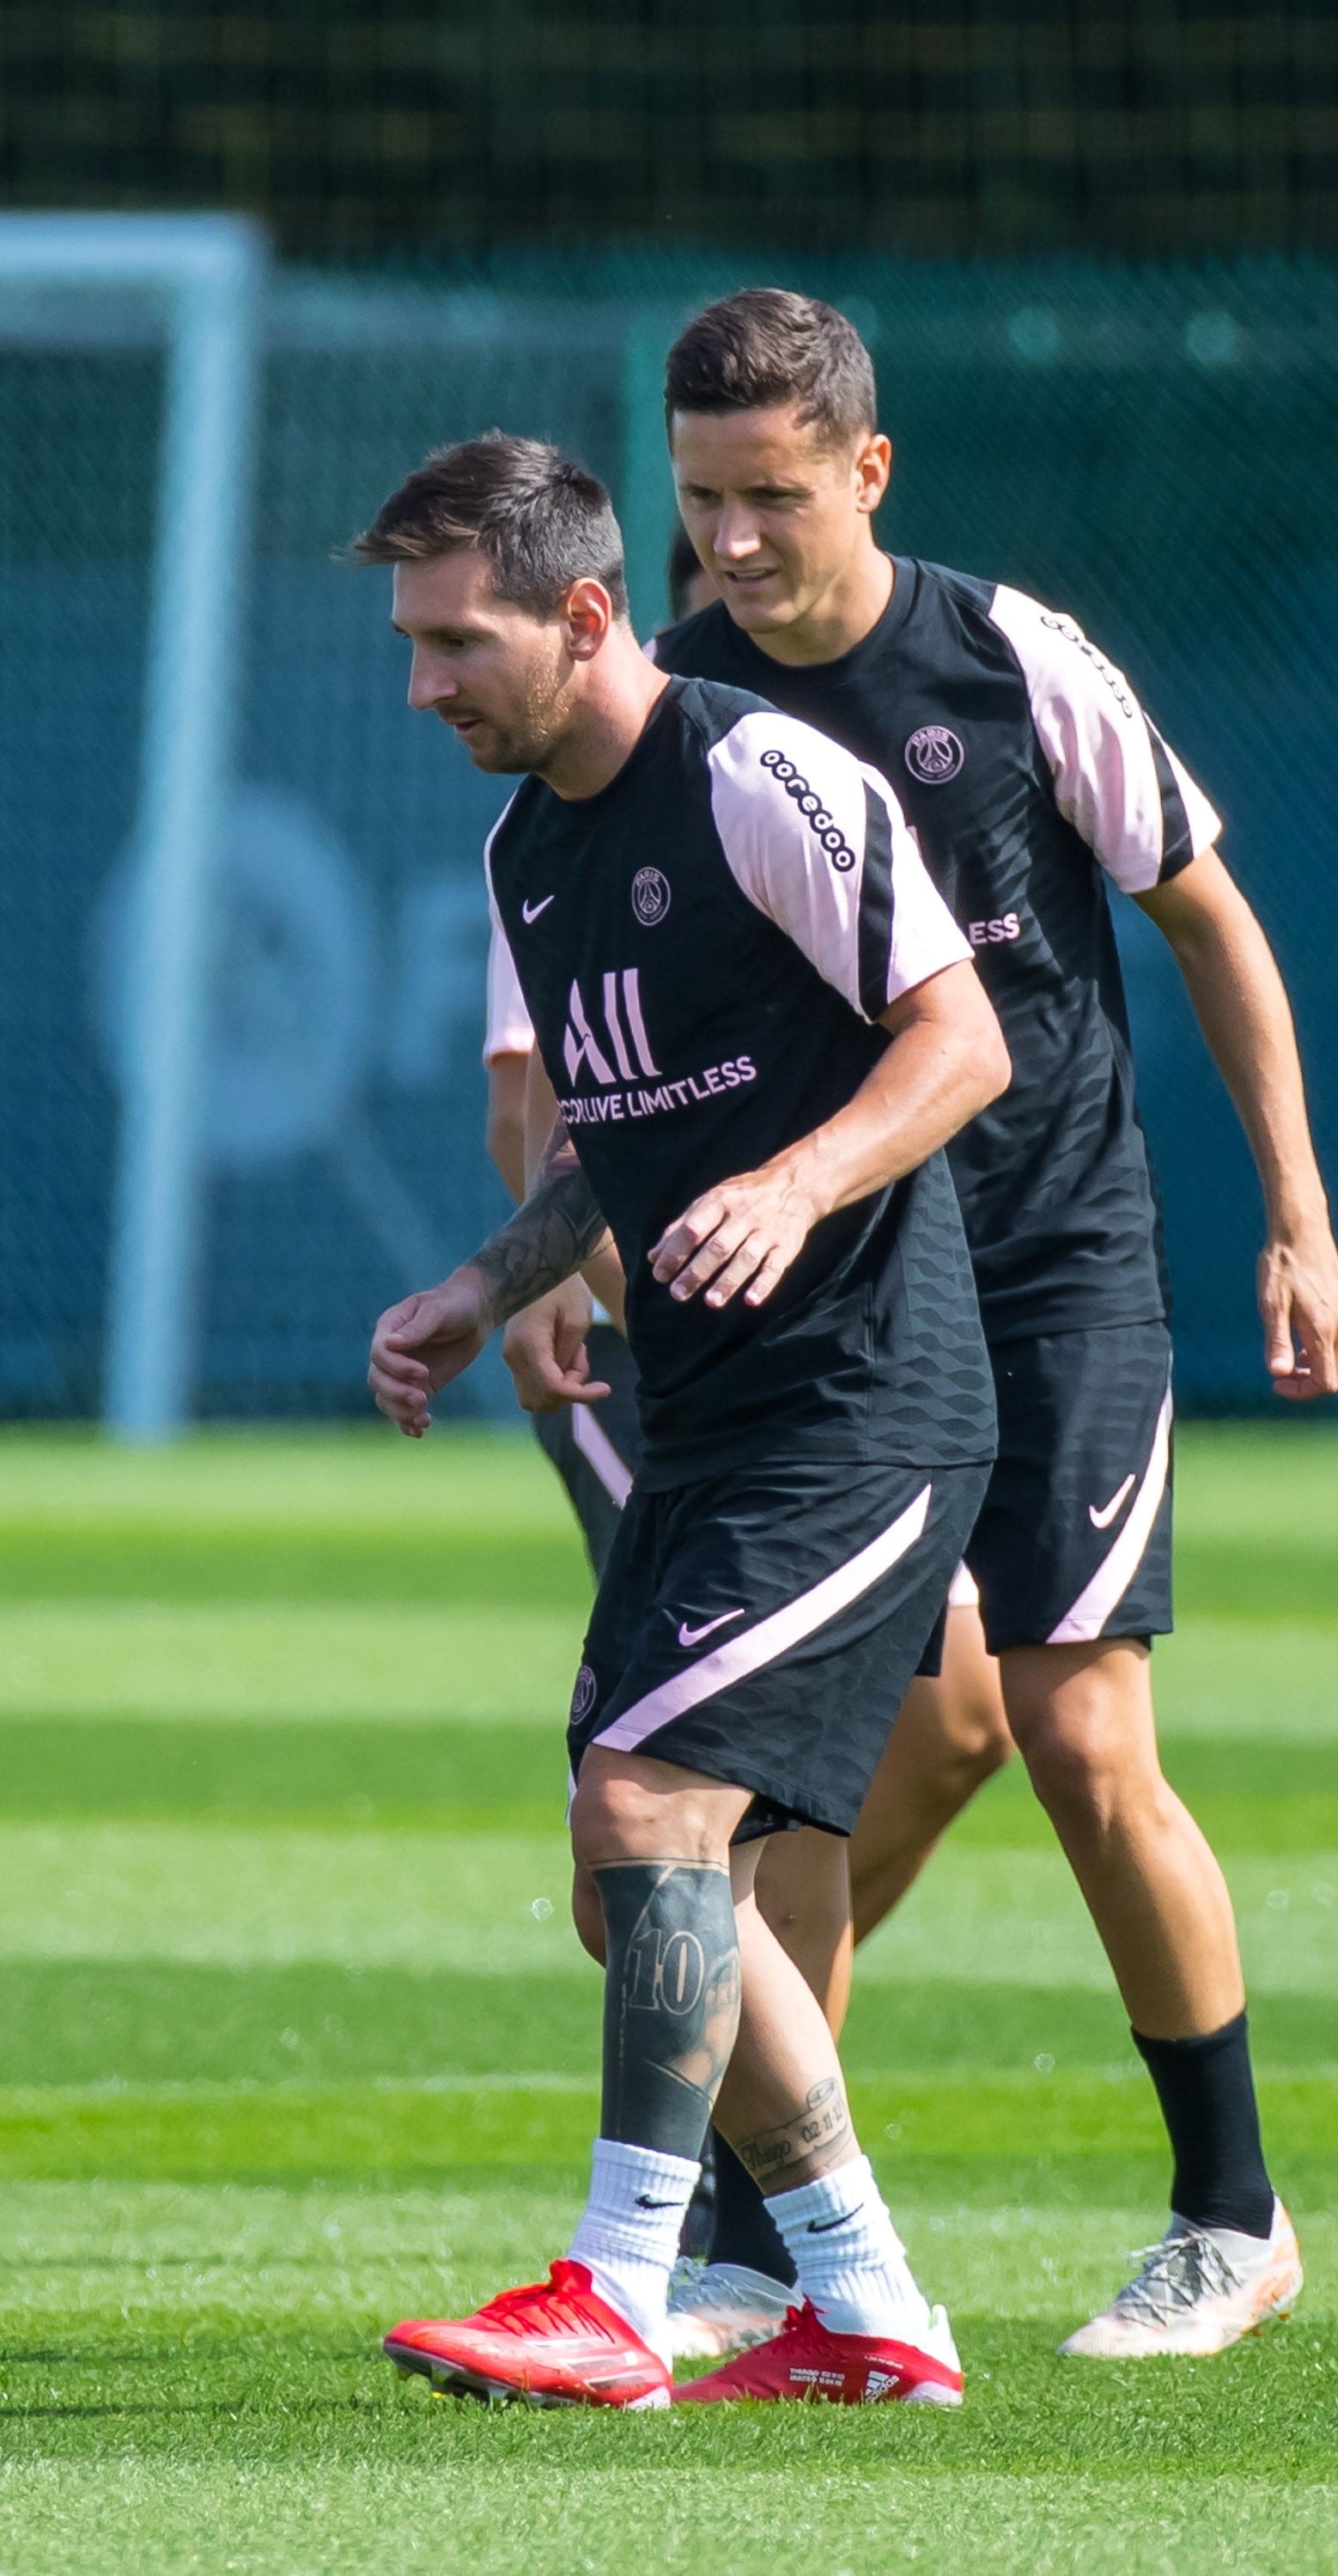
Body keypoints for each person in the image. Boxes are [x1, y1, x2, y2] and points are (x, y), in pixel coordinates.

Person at [648, 289, 1338, 2357]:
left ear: (868, 470)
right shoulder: (672, 699)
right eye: (701, 501)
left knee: (1075, 1726)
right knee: (797, 1776)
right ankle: (767, 2246)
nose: (737, 543)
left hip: (1049, 1269)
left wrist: (1298, 1221)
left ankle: (1232, 2215)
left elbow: (1208, 917)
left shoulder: (1006, 657)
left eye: (773, 496)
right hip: (842, 1304)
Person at [361, 434, 1009, 2409]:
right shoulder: (523, 848)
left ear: (580, 613)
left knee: (648, 1817)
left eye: (457, 640)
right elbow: (626, 1139)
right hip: (717, 1416)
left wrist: (801, 1184)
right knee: (635, 1887)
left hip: (866, 1404)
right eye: (407, 643)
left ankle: (620, 2287)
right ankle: (871, 2306)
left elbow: (961, 1037)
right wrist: (495, 1273)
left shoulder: (750, 770)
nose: (423, 686)